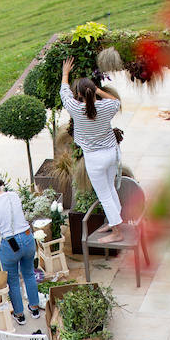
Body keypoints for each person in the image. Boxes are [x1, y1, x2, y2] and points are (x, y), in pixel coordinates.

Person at [60, 56, 124, 243]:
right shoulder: (105, 106)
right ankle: (114, 221)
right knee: (110, 188)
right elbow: (115, 101)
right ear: (93, 91)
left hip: (95, 159)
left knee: (103, 194)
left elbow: (64, 92)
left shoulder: (75, 108)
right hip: (111, 153)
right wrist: (97, 90)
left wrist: (65, 73)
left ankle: (117, 232)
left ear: (78, 95)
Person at [0, 171, 40, 325]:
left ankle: (19, 315)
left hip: (10, 245)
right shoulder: (13, 195)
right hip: (27, 237)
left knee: (13, 280)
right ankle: (34, 308)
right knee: (29, 274)